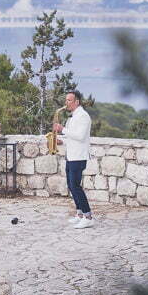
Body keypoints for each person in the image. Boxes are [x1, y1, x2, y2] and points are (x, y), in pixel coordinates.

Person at [54, 90, 94, 229]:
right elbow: (73, 138)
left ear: (77, 102)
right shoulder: (73, 117)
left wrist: (62, 129)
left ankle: (88, 217)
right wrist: (62, 142)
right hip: (71, 156)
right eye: (66, 100)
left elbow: (80, 136)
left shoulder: (83, 116)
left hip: (78, 157)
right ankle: (80, 214)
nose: (66, 103)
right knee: (71, 186)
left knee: (76, 187)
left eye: (69, 100)